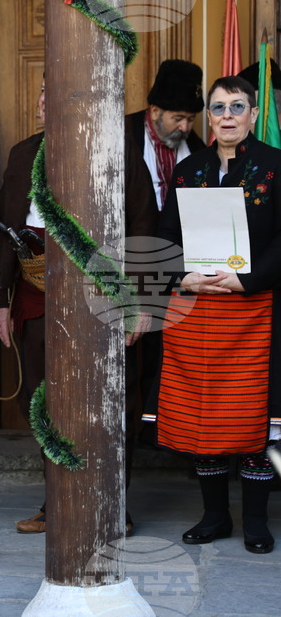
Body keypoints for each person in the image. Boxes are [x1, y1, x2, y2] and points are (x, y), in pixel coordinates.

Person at [0, 78, 158, 534]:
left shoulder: (116, 151)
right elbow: (5, 230)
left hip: (100, 298)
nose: (45, 101)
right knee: (43, 400)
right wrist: (2, 301)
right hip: (36, 293)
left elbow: (144, 224)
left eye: (57, 92)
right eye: (41, 93)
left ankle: (109, 504)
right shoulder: (23, 154)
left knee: (108, 401)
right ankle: (58, 501)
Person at [153, 75, 281, 555]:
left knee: (251, 421)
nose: (227, 115)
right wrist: (182, 276)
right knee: (203, 418)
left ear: (251, 114)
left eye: (237, 106)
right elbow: (168, 236)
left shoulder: (275, 165)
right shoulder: (190, 170)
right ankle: (213, 515)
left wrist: (247, 279)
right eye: (219, 107)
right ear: (209, 116)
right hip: (198, 312)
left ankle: (254, 521)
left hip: (255, 311)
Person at [126, 59, 206, 213]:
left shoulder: (196, 146)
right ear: (156, 112)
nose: (184, 127)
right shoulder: (125, 133)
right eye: (178, 118)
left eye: (191, 119)